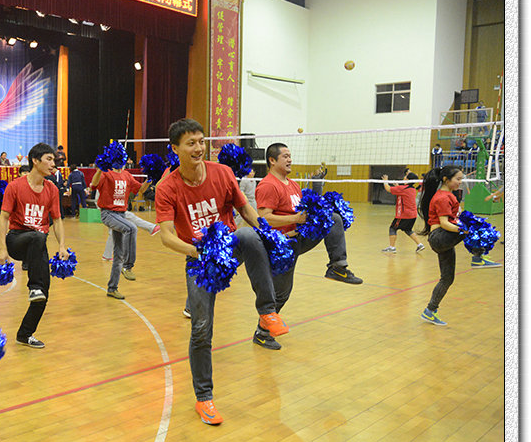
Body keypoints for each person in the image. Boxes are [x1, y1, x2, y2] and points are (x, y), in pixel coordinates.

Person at [155, 118, 287, 425]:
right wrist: (197, 252)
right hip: (199, 259)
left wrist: (267, 231)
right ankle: (204, 399)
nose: (198, 148)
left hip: (230, 247)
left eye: (201, 141)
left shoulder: (223, 173)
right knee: (201, 329)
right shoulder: (167, 188)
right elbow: (166, 236)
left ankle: (267, 312)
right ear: (175, 149)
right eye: (191, 143)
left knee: (250, 236)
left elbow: (245, 209)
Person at [255, 143, 363, 350]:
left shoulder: (293, 185)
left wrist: (316, 187)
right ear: (272, 160)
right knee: (281, 294)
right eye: (285, 156)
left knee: (331, 217)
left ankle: (337, 266)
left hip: (299, 237)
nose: (290, 159)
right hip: (281, 245)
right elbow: (264, 218)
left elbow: (305, 210)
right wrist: (295, 218)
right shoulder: (268, 185)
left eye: (290, 156)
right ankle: (262, 333)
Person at [0, 143, 69, 349]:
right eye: (49, 159)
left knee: (44, 294)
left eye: (54, 160)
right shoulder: (15, 186)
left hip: (38, 244)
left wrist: (62, 246)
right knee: (38, 237)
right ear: (35, 161)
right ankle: (34, 287)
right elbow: (3, 218)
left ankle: (25, 333)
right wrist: (2, 249)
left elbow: (57, 220)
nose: (53, 164)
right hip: (17, 240)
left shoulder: (52, 189)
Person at [417, 166, 501, 326]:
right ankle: (478, 257)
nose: (460, 182)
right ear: (446, 179)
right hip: (440, 237)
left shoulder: (448, 195)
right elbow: (444, 223)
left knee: (447, 278)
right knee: (473, 227)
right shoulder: (442, 197)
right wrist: (464, 230)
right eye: (458, 179)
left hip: (443, 240)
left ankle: (430, 311)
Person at [91, 164, 151, 298]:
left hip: (121, 215)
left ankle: (112, 288)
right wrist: (100, 169)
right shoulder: (106, 173)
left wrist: (150, 179)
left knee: (118, 255)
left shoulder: (127, 175)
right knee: (131, 228)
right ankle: (128, 266)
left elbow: (140, 189)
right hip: (108, 213)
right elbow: (94, 185)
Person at [381, 172, 425, 253]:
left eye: (406, 176)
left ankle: (392, 247)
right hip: (413, 215)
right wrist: (397, 186)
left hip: (404, 215)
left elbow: (388, 189)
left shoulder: (403, 189)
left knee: (393, 228)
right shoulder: (412, 189)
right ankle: (420, 244)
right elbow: (402, 192)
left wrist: (385, 181)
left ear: (407, 179)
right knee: (408, 230)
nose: (404, 177)